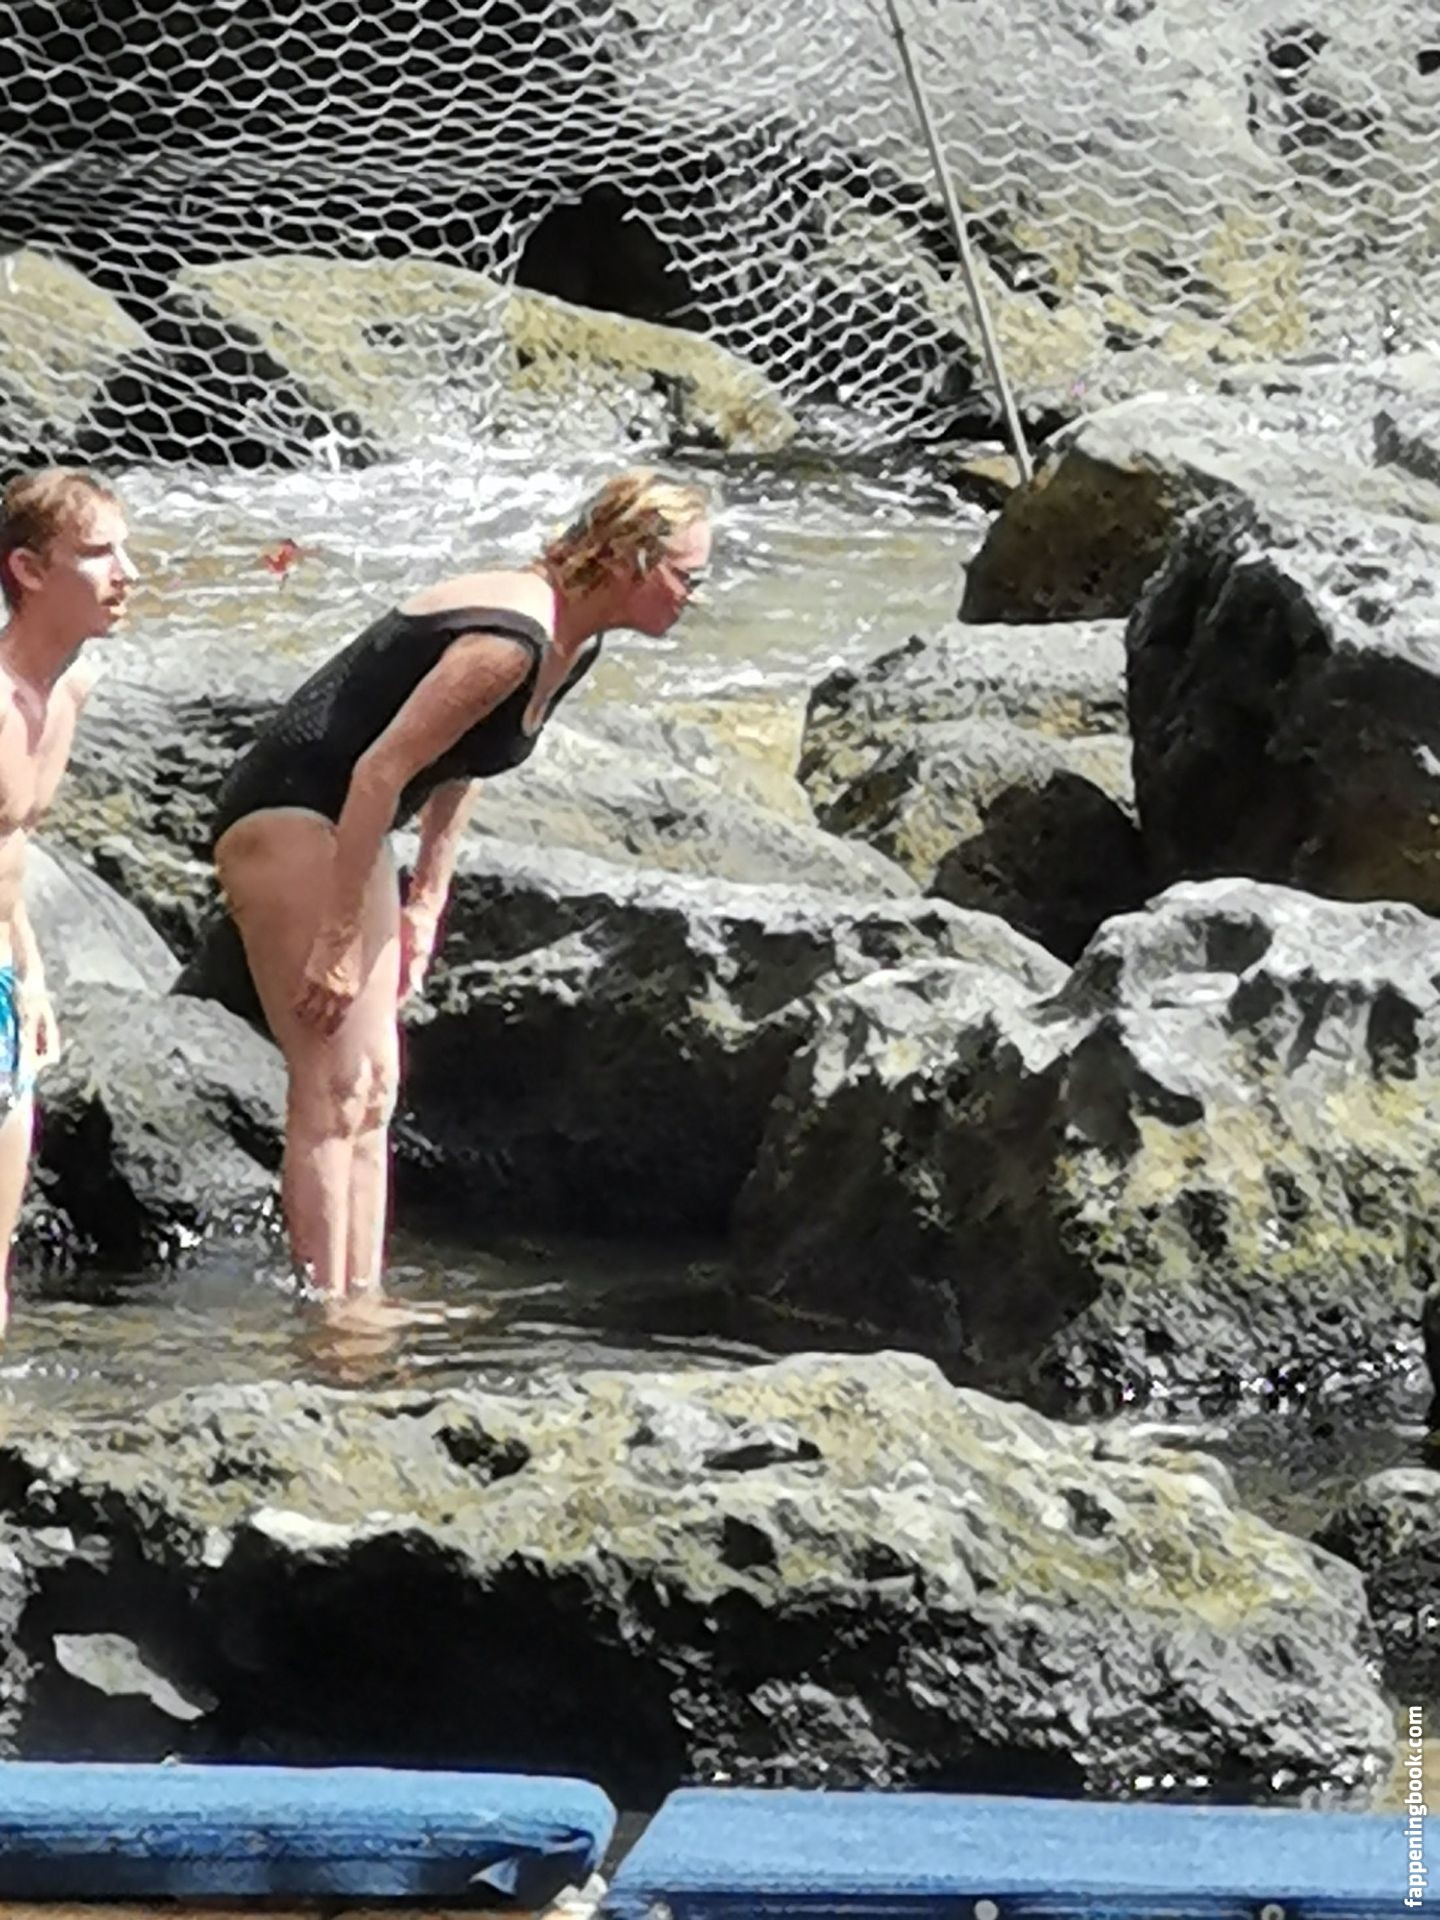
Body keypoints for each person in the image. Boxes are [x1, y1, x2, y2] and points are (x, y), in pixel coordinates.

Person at [209, 467, 711, 1301]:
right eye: (688, 577)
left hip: (352, 825)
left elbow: (464, 759)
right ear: (630, 559)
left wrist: (426, 901)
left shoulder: (573, 642)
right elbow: (380, 771)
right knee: (334, 1088)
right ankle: (330, 1320)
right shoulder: (510, 641)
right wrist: (338, 938)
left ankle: (358, 1299)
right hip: (293, 813)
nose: (695, 598)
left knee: (374, 1085)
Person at [0, 468, 136, 1333]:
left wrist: (32, 973)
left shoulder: (69, 691)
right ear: (28, 569)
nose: (128, 573)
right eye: (98, 553)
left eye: (127, 549)